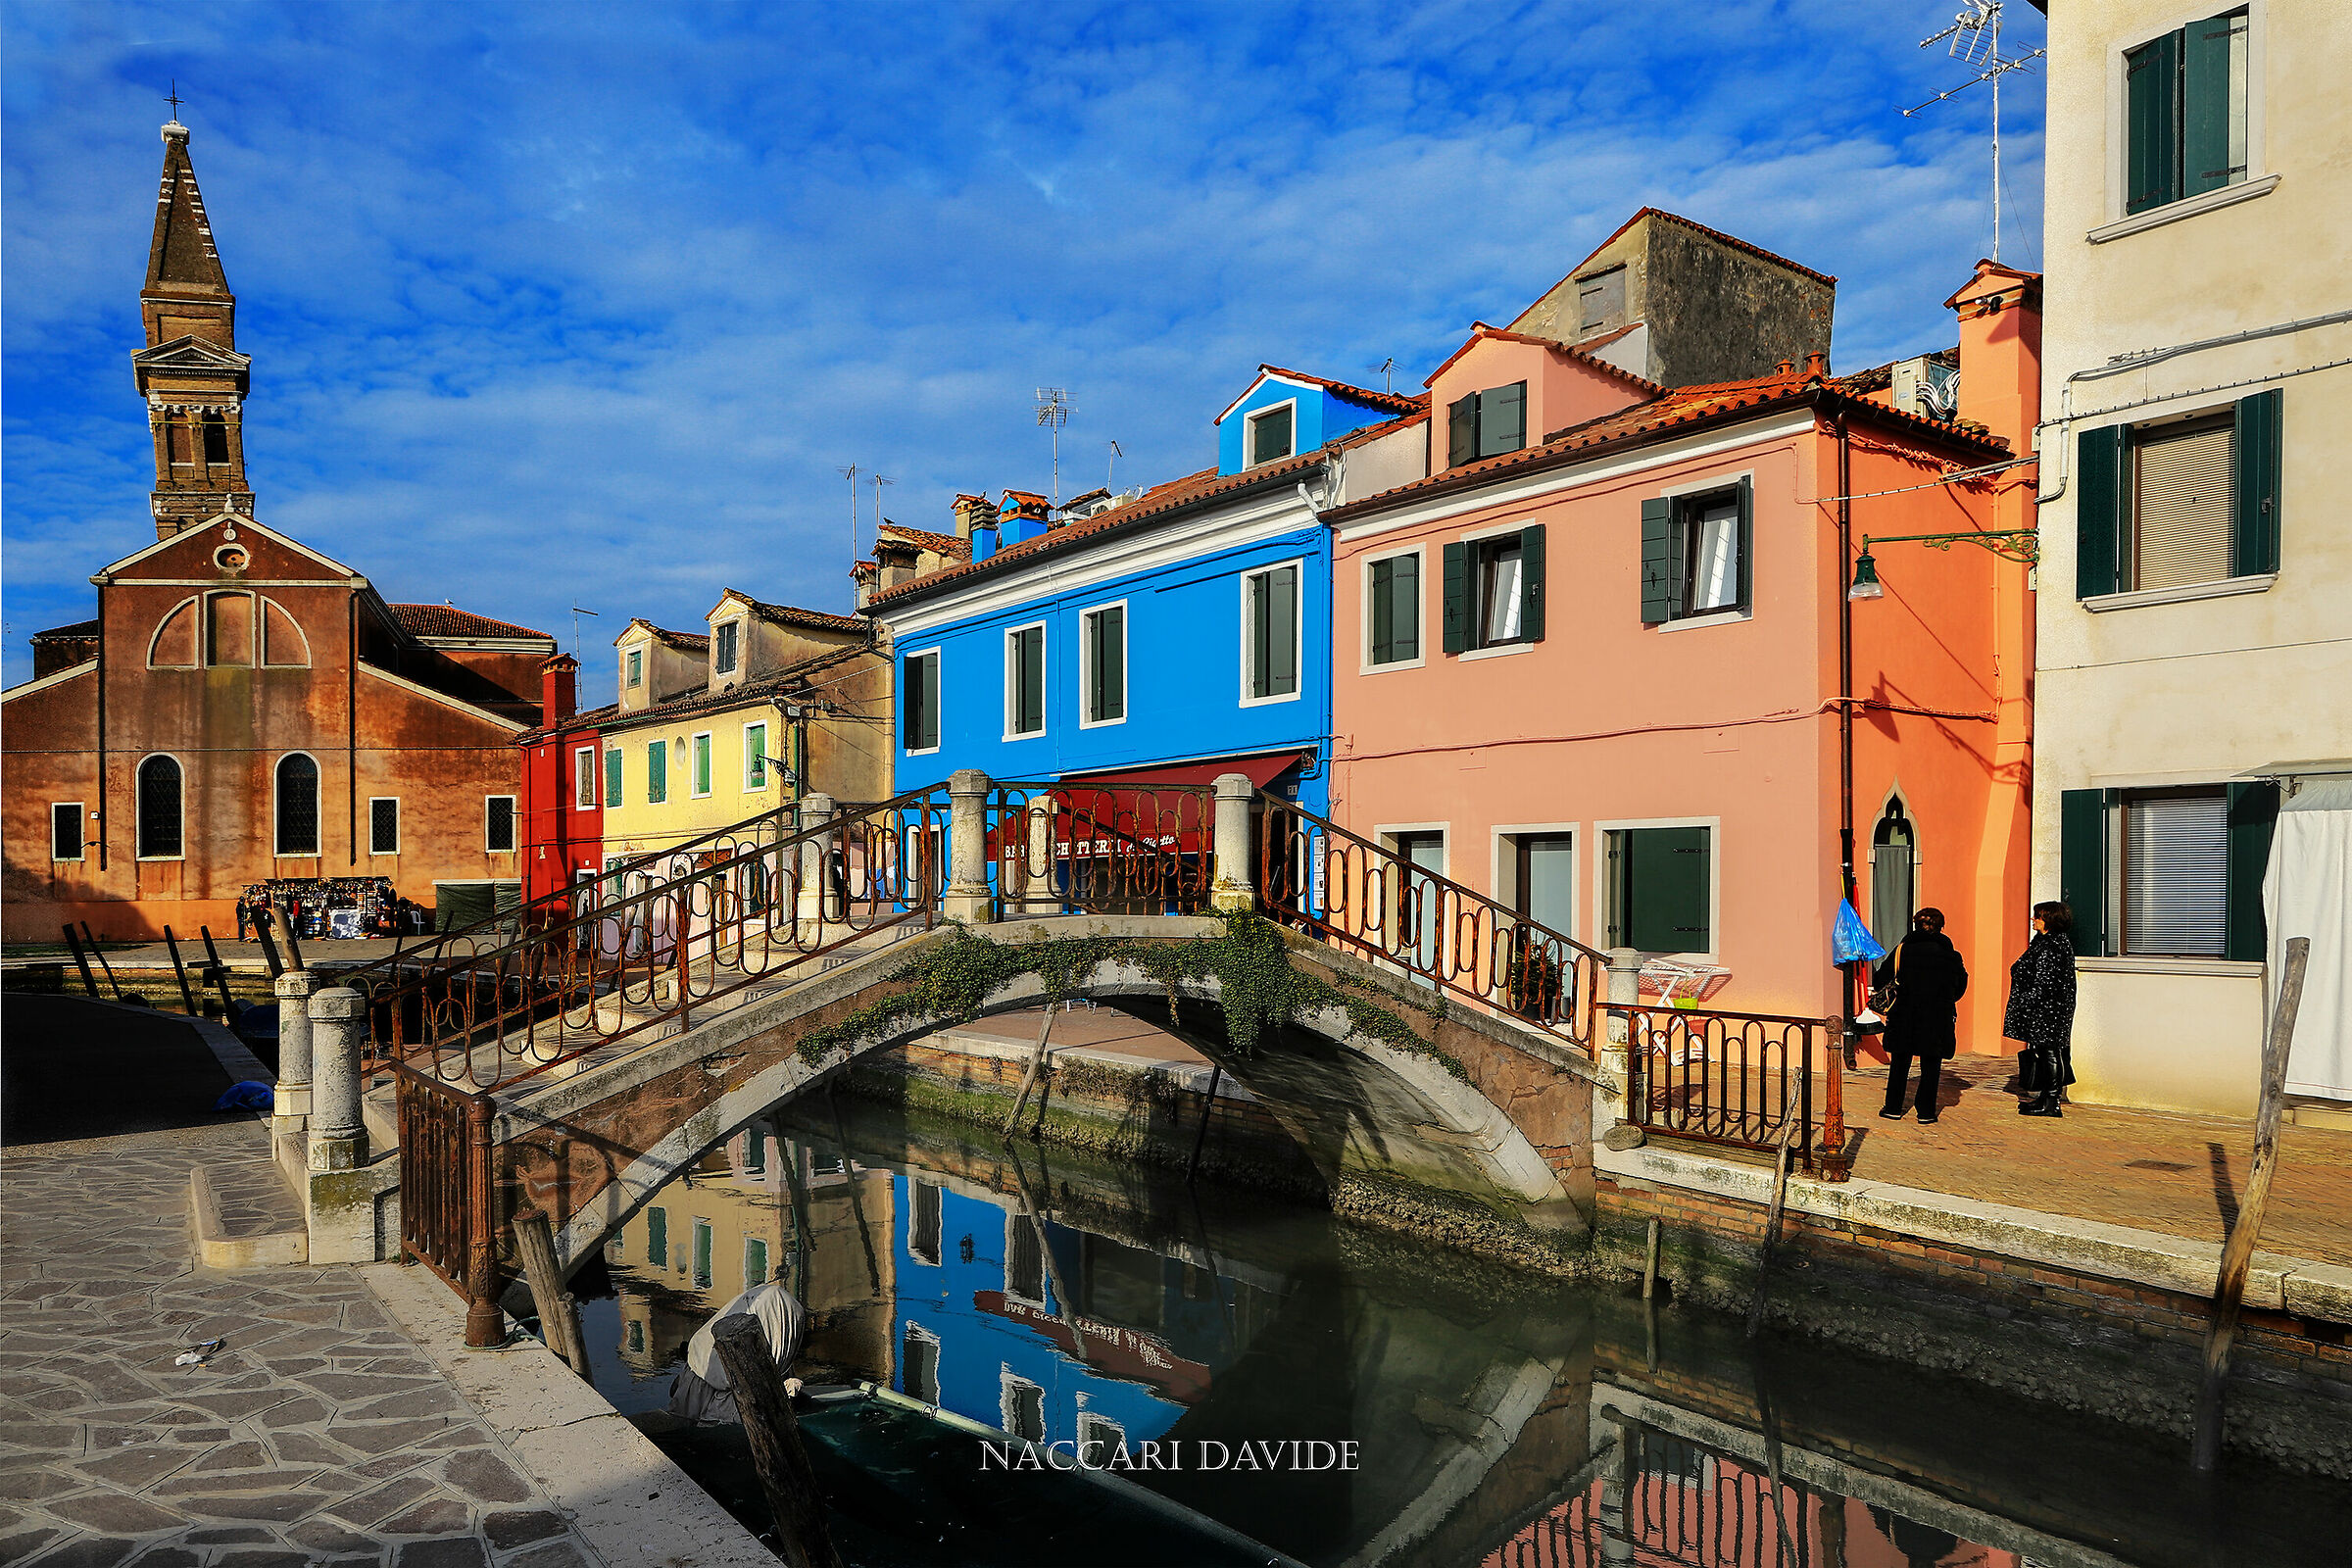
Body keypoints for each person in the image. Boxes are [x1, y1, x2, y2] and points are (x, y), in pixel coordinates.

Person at [1872, 906, 1968, 1124]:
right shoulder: (1951, 955)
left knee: (1900, 1063)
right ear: (1941, 928)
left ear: (1915, 925)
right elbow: (1960, 988)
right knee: (1931, 1065)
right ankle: (1926, 1112)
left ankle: (1893, 1108)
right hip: (1937, 1017)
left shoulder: (1901, 951)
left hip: (1904, 1015)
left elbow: (1879, 980)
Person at [2004, 901, 2079, 1117]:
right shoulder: (2043, 941)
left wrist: (2027, 1001)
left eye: (2037, 916)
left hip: (2049, 1008)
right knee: (2046, 1051)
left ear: (2049, 920)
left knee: (2050, 1051)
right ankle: (2046, 1097)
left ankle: (2052, 1101)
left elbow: (2045, 982)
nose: (2033, 920)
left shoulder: (2052, 945)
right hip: (2045, 1007)